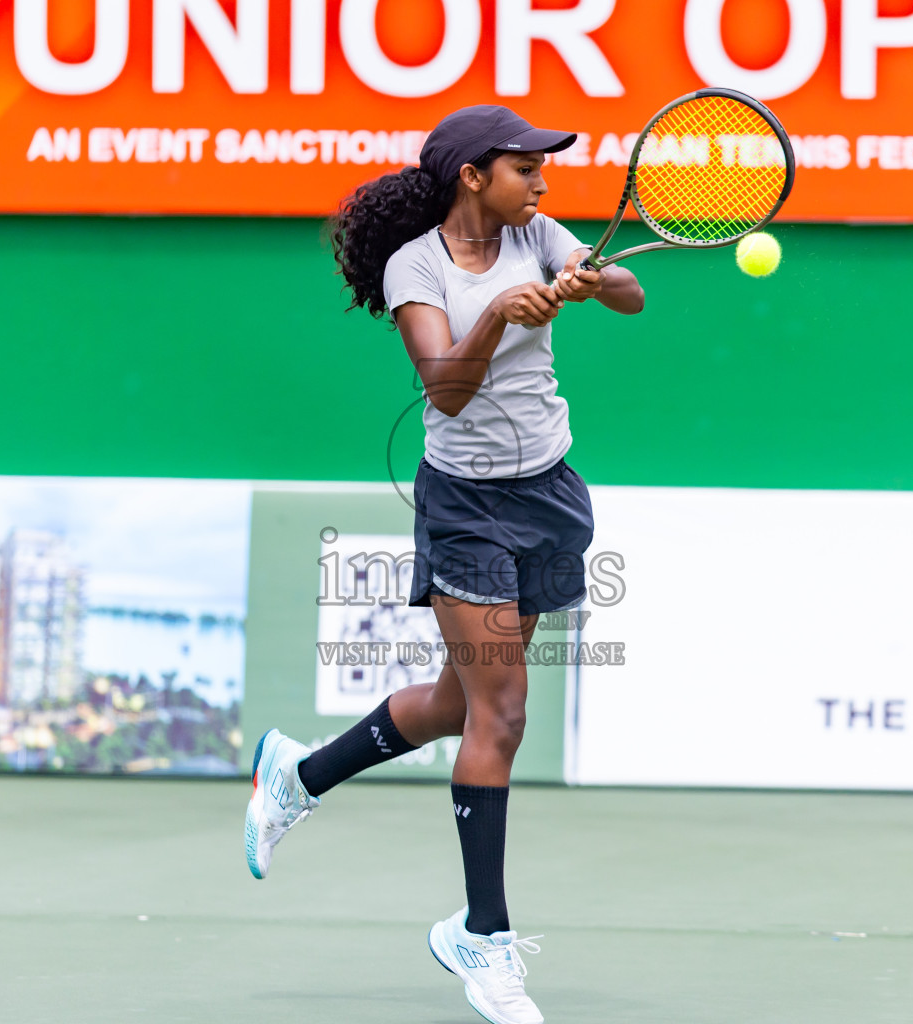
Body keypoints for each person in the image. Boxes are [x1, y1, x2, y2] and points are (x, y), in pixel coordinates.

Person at [243, 104, 644, 1024]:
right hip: (466, 507)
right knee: (503, 714)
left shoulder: (539, 235)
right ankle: (483, 936)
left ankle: (297, 778)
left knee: (462, 701)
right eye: (526, 168)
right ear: (473, 175)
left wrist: (593, 279)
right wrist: (502, 313)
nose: (542, 183)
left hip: (549, 491)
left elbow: (632, 294)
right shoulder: (414, 265)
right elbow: (448, 392)